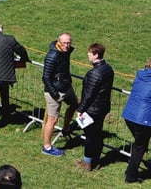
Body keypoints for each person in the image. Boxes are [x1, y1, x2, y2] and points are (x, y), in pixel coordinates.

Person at [74, 43, 114, 172]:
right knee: (97, 134)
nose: (88, 54)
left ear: (96, 55)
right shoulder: (108, 68)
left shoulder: (94, 73)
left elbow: (89, 95)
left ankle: (87, 163)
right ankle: (96, 160)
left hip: (92, 110)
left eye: (90, 53)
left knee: (91, 137)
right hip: (102, 108)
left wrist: (80, 110)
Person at [41, 32, 79, 157]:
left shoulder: (66, 51)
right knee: (53, 119)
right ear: (59, 42)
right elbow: (46, 77)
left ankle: (66, 128)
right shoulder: (52, 56)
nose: (67, 46)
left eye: (69, 43)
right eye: (64, 43)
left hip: (66, 87)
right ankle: (47, 146)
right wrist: (54, 93)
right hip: (55, 91)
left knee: (74, 104)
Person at [122, 58, 151, 184]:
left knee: (140, 144)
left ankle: (131, 171)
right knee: (140, 147)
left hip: (130, 115)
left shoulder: (141, 74)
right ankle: (130, 175)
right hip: (142, 119)